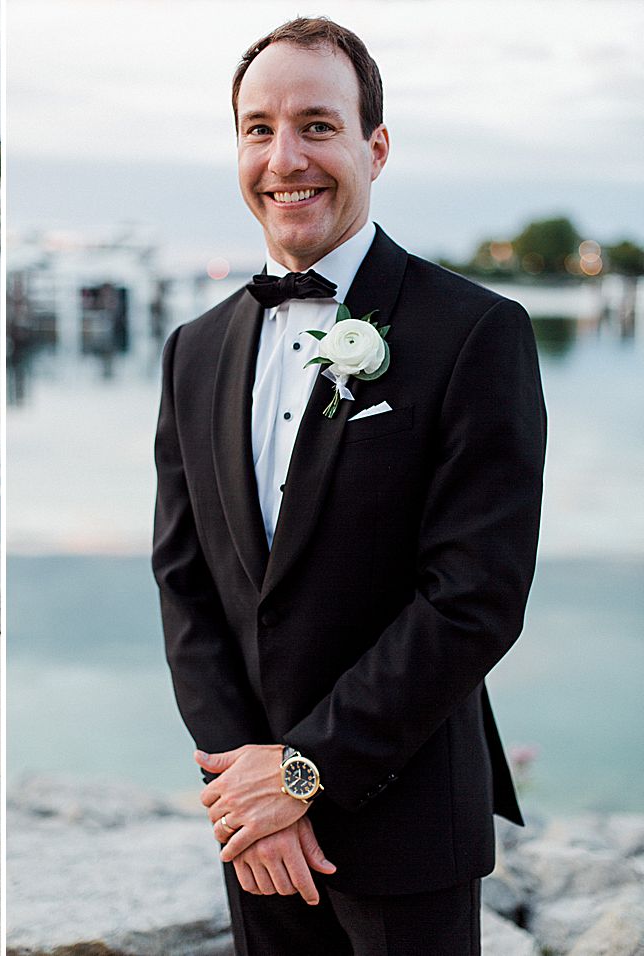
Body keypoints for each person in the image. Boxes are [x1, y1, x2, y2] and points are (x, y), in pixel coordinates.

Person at [152, 18, 546, 955]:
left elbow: (475, 599)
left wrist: (303, 771)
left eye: (316, 125)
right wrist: (246, 784)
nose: (285, 157)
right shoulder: (194, 352)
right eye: (258, 129)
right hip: (253, 838)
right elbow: (185, 581)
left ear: (375, 146)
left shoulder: (476, 333)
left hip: (408, 832)